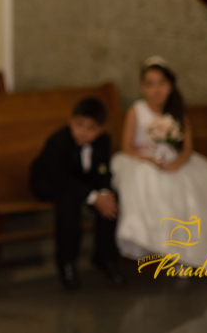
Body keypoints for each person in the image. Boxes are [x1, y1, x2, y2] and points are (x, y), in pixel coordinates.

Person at [110, 58, 207, 276]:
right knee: (151, 181)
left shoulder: (178, 112)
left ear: (170, 86)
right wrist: (148, 160)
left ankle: (189, 255)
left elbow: (187, 149)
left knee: (195, 189)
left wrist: (178, 163)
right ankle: (165, 248)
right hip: (143, 160)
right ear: (142, 87)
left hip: (173, 160)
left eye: (161, 83)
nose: (156, 89)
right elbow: (127, 146)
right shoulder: (137, 111)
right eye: (150, 84)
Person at [30, 97, 125, 290]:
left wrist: (104, 194)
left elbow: (103, 170)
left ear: (100, 130)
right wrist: (94, 197)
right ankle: (67, 263)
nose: (83, 132)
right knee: (68, 202)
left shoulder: (103, 141)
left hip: (81, 182)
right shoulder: (58, 141)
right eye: (79, 125)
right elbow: (60, 179)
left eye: (90, 128)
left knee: (111, 200)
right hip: (49, 182)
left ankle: (105, 257)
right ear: (70, 121)